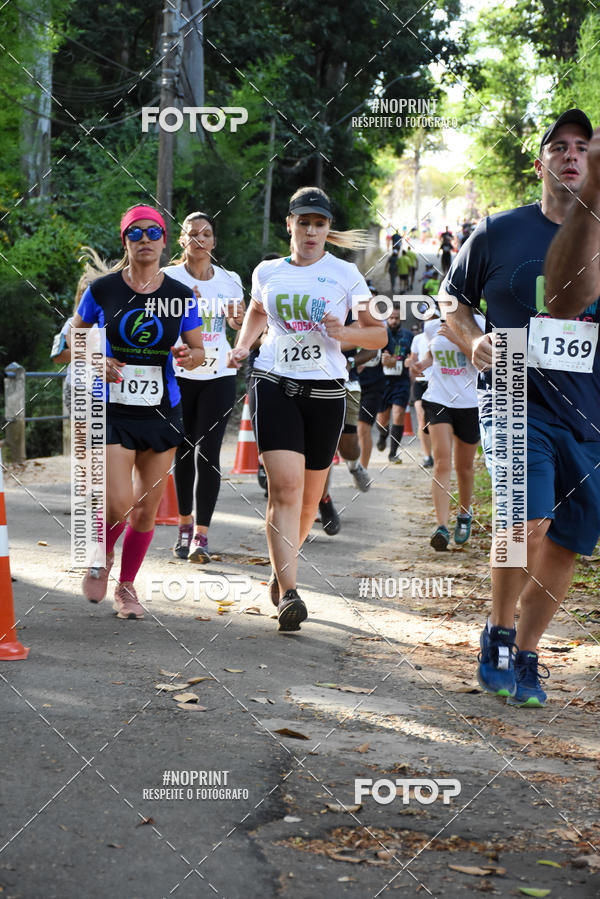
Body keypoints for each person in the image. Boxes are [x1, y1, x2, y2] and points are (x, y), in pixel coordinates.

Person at [443, 108, 596, 706]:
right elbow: (449, 301)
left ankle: (528, 654)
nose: (571, 155)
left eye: (582, 147)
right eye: (559, 146)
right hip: (512, 395)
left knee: (565, 542)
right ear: (541, 165)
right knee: (520, 521)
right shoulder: (499, 233)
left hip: (589, 413)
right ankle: (498, 636)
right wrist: (471, 339)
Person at [227, 186, 386, 631]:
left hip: (327, 393)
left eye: (320, 224)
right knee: (286, 489)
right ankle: (292, 594)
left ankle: (280, 575)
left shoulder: (347, 275)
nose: (311, 231)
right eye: (304, 222)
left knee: (309, 501)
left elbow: (379, 336)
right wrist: (243, 347)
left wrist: (347, 333)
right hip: (274, 382)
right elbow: (258, 312)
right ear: (290, 224)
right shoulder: (267, 271)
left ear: (327, 229)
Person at [74, 204, 205, 619]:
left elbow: (200, 351)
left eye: (153, 232)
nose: (145, 239)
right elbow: (74, 340)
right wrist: (96, 359)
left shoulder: (181, 296)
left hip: (162, 411)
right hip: (113, 410)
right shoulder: (103, 291)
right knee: (118, 503)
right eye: (135, 233)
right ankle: (101, 553)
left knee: (146, 509)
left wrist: (188, 356)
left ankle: (126, 587)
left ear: (165, 242)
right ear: (124, 241)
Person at [164, 212, 245, 562]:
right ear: (182, 241)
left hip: (219, 375)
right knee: (182, 451)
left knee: (209, 454)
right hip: (180, 375)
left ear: (214, 242)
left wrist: (238, 321)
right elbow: (156, 327)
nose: (199, 238)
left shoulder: (230, 279)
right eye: (192, 233)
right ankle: (184, 526)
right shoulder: (168, 277)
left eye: (206, 234)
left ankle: (202, 536)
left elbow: (237, 323)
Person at [414, 307, 483, 549]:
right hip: (438, 399)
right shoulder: (433, 326)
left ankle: (464, 514)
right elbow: (432, 356)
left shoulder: (480, 324)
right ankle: (441, 526)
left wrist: (457, 338)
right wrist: (420, 365)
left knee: (463, 467)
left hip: (469, 403)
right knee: (442, 461)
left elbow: (483, 361)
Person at [375, 305, 413, 462]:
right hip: (383, 382)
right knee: (382, 420)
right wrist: (382, 360)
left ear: (400, 319)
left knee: (398, 415)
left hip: (401, 382)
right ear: (387, 319)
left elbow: (412, 356)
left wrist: (402, 360)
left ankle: (393, 452)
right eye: (391, 318)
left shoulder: (409, 336)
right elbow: (372, 356)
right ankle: (383, 434)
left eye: (397, 318)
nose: (394, 321)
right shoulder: (380, 335)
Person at [407, 319, 433, 467]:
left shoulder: (442, 337)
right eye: (427, 319)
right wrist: (411, 365)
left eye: (433, 319)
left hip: (437, 384)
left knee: (436, 421)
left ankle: (440, 452)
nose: (429, 322)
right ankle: (428, 456)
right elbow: (413, 360)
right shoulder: (417, 339)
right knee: (422, 419)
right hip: (420, 383)